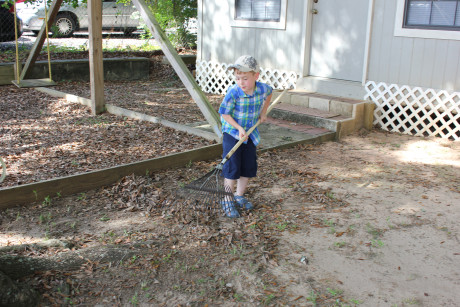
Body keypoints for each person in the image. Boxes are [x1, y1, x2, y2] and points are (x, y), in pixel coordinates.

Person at [218, 55, 273, 218]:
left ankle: (239, 196)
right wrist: (239, 128)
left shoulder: (263, 89)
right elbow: (224, 113)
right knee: (232, 166)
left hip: (251, 133)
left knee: (248, 166)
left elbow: (270, 94)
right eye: (237, 78)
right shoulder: (234, 93)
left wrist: (263, 112)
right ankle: (227, 199)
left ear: (256, 76)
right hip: (233, 132)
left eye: (245, 78)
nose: (241, 82)